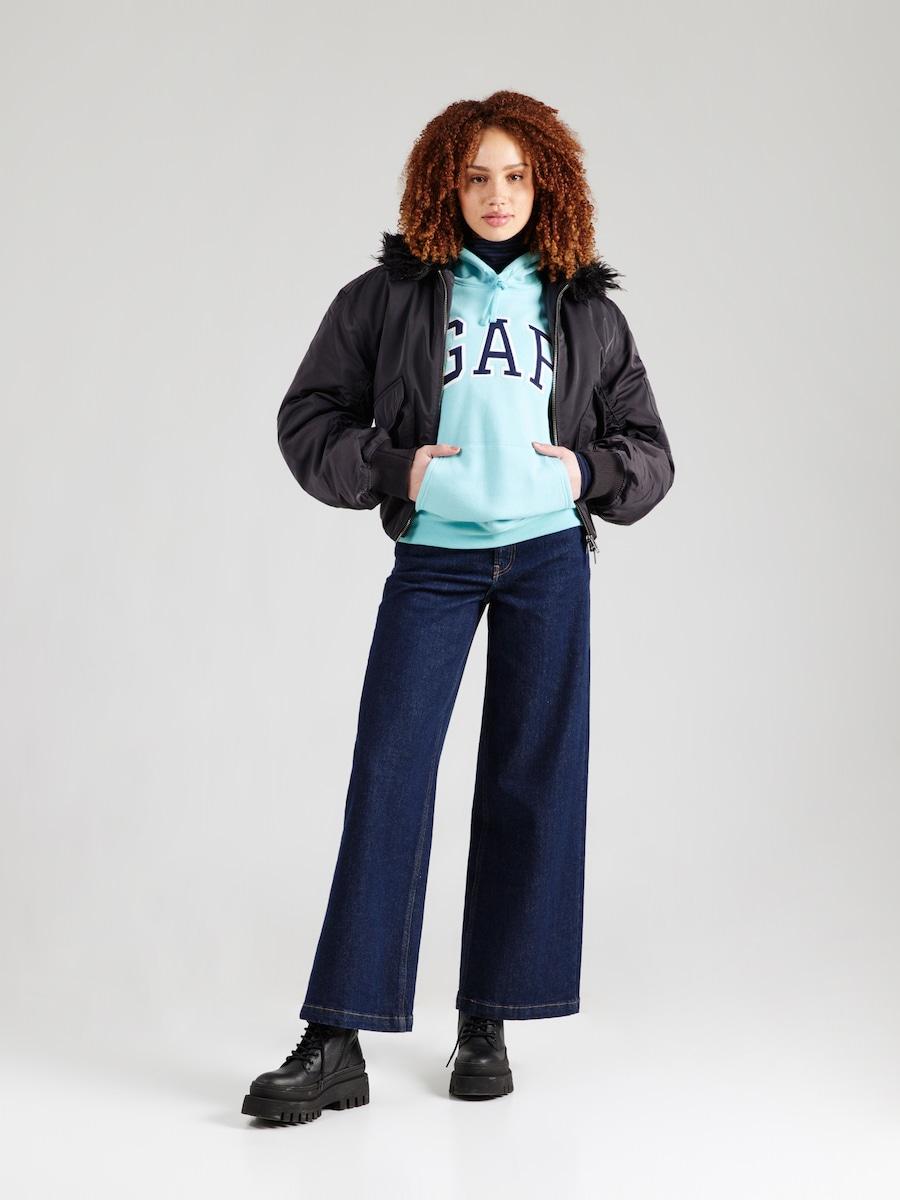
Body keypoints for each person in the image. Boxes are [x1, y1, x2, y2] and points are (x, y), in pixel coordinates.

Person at [242, 90, 675, 1125]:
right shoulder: (385, 298)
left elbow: (652, 454)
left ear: (548, 185)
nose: (496, 195)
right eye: (477, 176)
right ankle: (336, 1037)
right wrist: (395, 468)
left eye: (516, 175)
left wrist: (586, 472)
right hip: (435, 561)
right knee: (389, 776)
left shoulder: (586, 312)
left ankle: (489, 1019)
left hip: (547, 562)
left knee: (530, 782)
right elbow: (308, 418)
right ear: (445, 184)